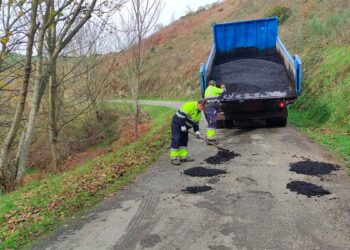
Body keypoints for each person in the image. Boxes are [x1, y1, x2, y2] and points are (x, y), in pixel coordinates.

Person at [170, 99, 208, 165]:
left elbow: (196, 123)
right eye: (204, 108)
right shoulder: (190, 105)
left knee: (184, 140)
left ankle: (183, 157)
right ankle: (174, 158)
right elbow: (181, 115)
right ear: (200, 105)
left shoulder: (199, 113)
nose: (203, 110)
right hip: (177, 123)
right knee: (176, 139)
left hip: (185, 127)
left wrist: (197, 132)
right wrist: (182, 125)